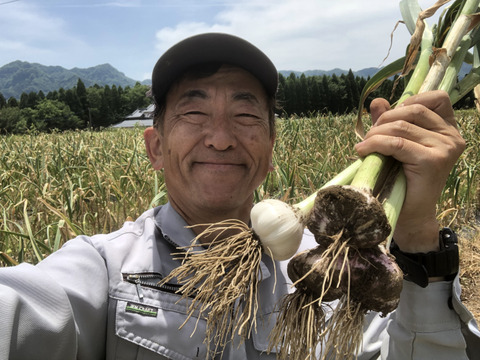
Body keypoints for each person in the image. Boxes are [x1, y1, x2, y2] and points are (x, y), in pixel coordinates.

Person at [0, 33, 479, 360]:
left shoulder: (327, 276)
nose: (222, 138)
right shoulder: (103, 268)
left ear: (271, 152)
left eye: (246, 116)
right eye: (193, 112)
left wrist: (417, 229)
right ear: (156, 147)